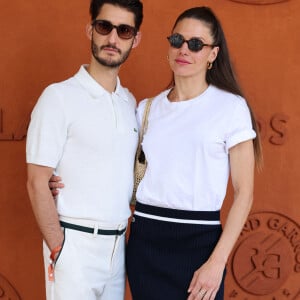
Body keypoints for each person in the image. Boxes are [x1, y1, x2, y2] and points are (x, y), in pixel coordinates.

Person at [125, 6, 262, 300]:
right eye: (177, 40)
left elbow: (244, 193)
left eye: (196, 44)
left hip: (200, 245)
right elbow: (117, 171)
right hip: (145, 243)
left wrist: (217, 262)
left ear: (212, 54)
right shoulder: (146, 109)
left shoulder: (230, 108)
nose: (184, 50)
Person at [26, 0, 143, 299]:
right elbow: (37, 181)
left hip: (118, 247)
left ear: (136, 39)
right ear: (90, 29)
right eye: (105, 27)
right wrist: (58, 247)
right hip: (73, 243)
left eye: (124, 30)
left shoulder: (130, 103)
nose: (113, 39)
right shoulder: (58, 97)